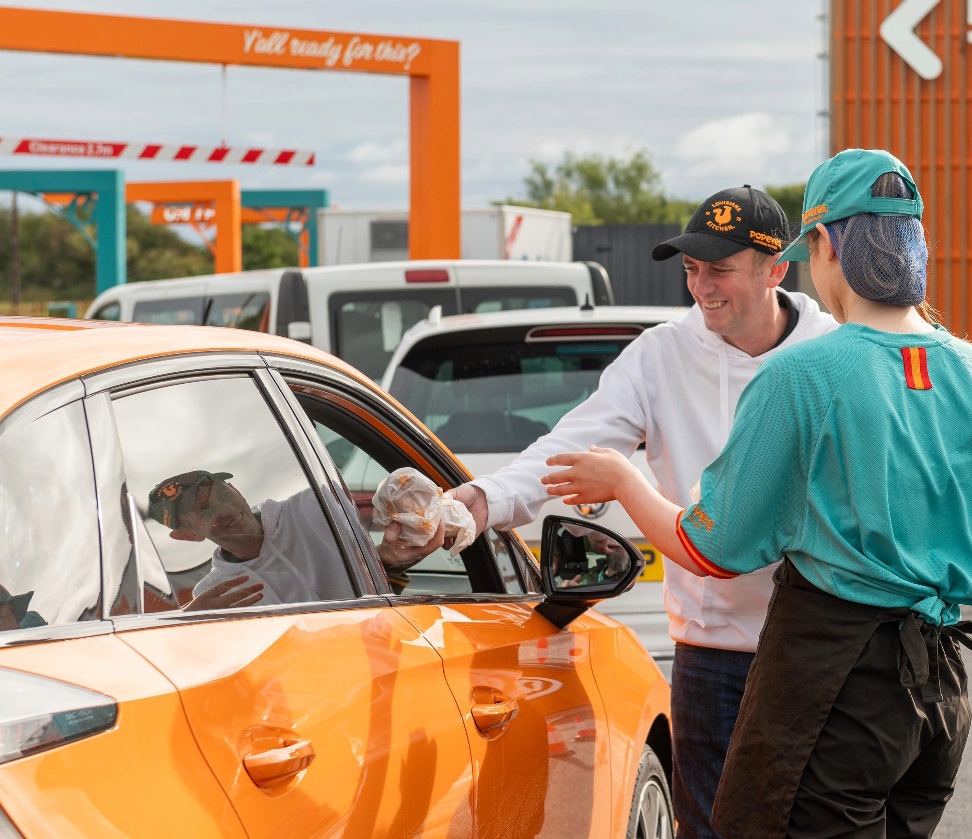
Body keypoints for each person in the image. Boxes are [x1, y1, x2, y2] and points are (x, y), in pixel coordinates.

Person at [542, 149, 972, 837]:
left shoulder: (804, 375)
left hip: (834, 685)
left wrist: (625, 480)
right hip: (941, 693)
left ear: (826, 245)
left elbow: (709, 548)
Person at [448, 185, 838, 838]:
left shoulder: (832, 351)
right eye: (690, 269)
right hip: (710, 653)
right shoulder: (663, 354)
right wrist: (479, 502)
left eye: (719, 269)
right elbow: (570, 442)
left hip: (816, 645)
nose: (701, 287)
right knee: (710, 827)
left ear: (777, 270)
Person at [148, 470, 439, 606]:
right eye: (205, 511)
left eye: (224, 493)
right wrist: (196, 625)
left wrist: (390, 560)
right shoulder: (213, 596)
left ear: (237, 490)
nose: (225, 510)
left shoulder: (318, 505)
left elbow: (399, 517)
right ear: (188, 534)